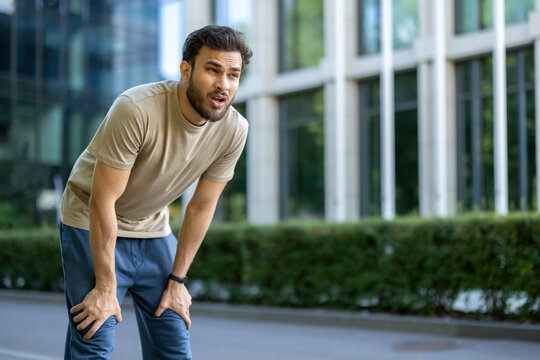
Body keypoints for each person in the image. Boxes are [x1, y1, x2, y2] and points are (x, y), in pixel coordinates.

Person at [58, 25, 252, 360]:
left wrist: (178, 281)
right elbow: (103, 200)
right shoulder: (136, 108)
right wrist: (105, 286)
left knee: (173, 339)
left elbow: (201, 207)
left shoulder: (234, 129)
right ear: (186, 70)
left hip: (153, 229)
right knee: (94, 334)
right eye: (212, 70)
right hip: (91, 220)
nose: (224, 85)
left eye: (233, 74)